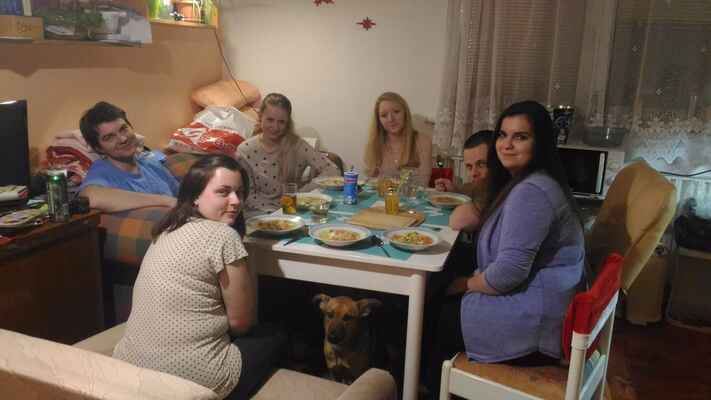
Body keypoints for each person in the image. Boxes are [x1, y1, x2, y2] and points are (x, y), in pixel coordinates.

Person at [425, 100, 585, 393]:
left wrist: (465, 284)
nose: (507, 145)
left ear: (540, 143)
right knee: (439, 287)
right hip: (550, 306)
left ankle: (431, 385)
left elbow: (508, 274)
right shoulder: (533, 181)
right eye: (502, 135)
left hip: (536, 324)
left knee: (437, 310)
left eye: (520, 137)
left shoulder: (531, 192)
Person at [113, 154, 285, 400]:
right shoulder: (223, 236)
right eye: (223, 192)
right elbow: (241, 323)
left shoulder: (166, 229)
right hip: (195, 379)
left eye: (239, 192)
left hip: (131, 366)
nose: (236, 201)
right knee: (276, 334)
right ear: (195, 195)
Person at [236, 93, 340, 215]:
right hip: (258, 213)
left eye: (281, 122)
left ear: (287, 123)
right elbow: (247, 194)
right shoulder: (245, 150)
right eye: (270, 120)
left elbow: (332, 171)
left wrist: (302, 193)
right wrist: (276, 212)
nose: (275, 127)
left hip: (291, 209)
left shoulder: (296, 144)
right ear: (260, 117)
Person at [78, 101, 179, 212]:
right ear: (98, 148)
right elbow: (90, 197)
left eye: (123, 129)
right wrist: (164, 201)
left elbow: (181, 197)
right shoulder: (101, 171)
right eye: (109, 137)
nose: (123, 139)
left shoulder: (150, 163)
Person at [364, 92, 433, 186]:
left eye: (396, 112)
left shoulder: (423, 141)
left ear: (405, 113)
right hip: (382, 195)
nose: (390, 119)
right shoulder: (374, 143)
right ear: (379, 120)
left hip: (412, 195)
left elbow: (423, 183)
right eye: (384, 115)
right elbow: (371, 183)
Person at [434, 130, 495, 232]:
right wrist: (454, 192)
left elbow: (457, 221)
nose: (473, 173)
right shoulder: (480, 184)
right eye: (469, 167)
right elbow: (470, 189)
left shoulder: (505, 193)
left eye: (481, 164)